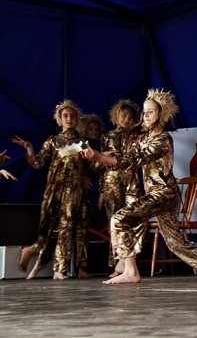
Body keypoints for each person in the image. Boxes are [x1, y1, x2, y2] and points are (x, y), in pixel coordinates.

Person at [81, 89, 197, 284]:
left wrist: (99, 156)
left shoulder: (162, 139)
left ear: (161, 115)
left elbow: (134, 160)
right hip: (161, 194)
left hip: (164, 194)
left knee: (120, 219)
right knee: (175, 243)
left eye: (150, 112)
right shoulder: (143, 139)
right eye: (144, 112)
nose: (145, 115)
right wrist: (102, 156)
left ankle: (130, 271)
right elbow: (126, 157)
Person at [13, 99, 87, 280]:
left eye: (72, 115)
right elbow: (38, 163)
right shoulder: (53, 141)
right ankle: (34, 253)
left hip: (73, 191)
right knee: (46, 228)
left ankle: (59, 269)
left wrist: (103, 158)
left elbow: (90, 163)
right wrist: (29, 148)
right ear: (59, 119)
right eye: (65, 115)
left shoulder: (82, 142)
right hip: (54, 190)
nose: (69, 118)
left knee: (66, 227)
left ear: (76, 119)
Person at [99, 99, 143, 276]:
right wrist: (102, 190)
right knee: (114, 221)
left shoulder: (137, 136)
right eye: (123, 116)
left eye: (130, 117)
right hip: (112, 181)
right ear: (116, 117)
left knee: (136, 217)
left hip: (131, 179)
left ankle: (129, 260)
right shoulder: (107, 136)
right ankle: (117, 262)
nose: (127, 119)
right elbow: (99, 164)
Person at [75, 113, 104, 278]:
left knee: (83, 228)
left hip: (89, 192)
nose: (94, 131)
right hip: (73, 190)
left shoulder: (98, 146)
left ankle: (82, 267)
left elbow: (100, 171)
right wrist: (79, 177)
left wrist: (102, 190)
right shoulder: (79, 145)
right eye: (91, 128)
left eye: (96, 129)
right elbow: (65, 165)